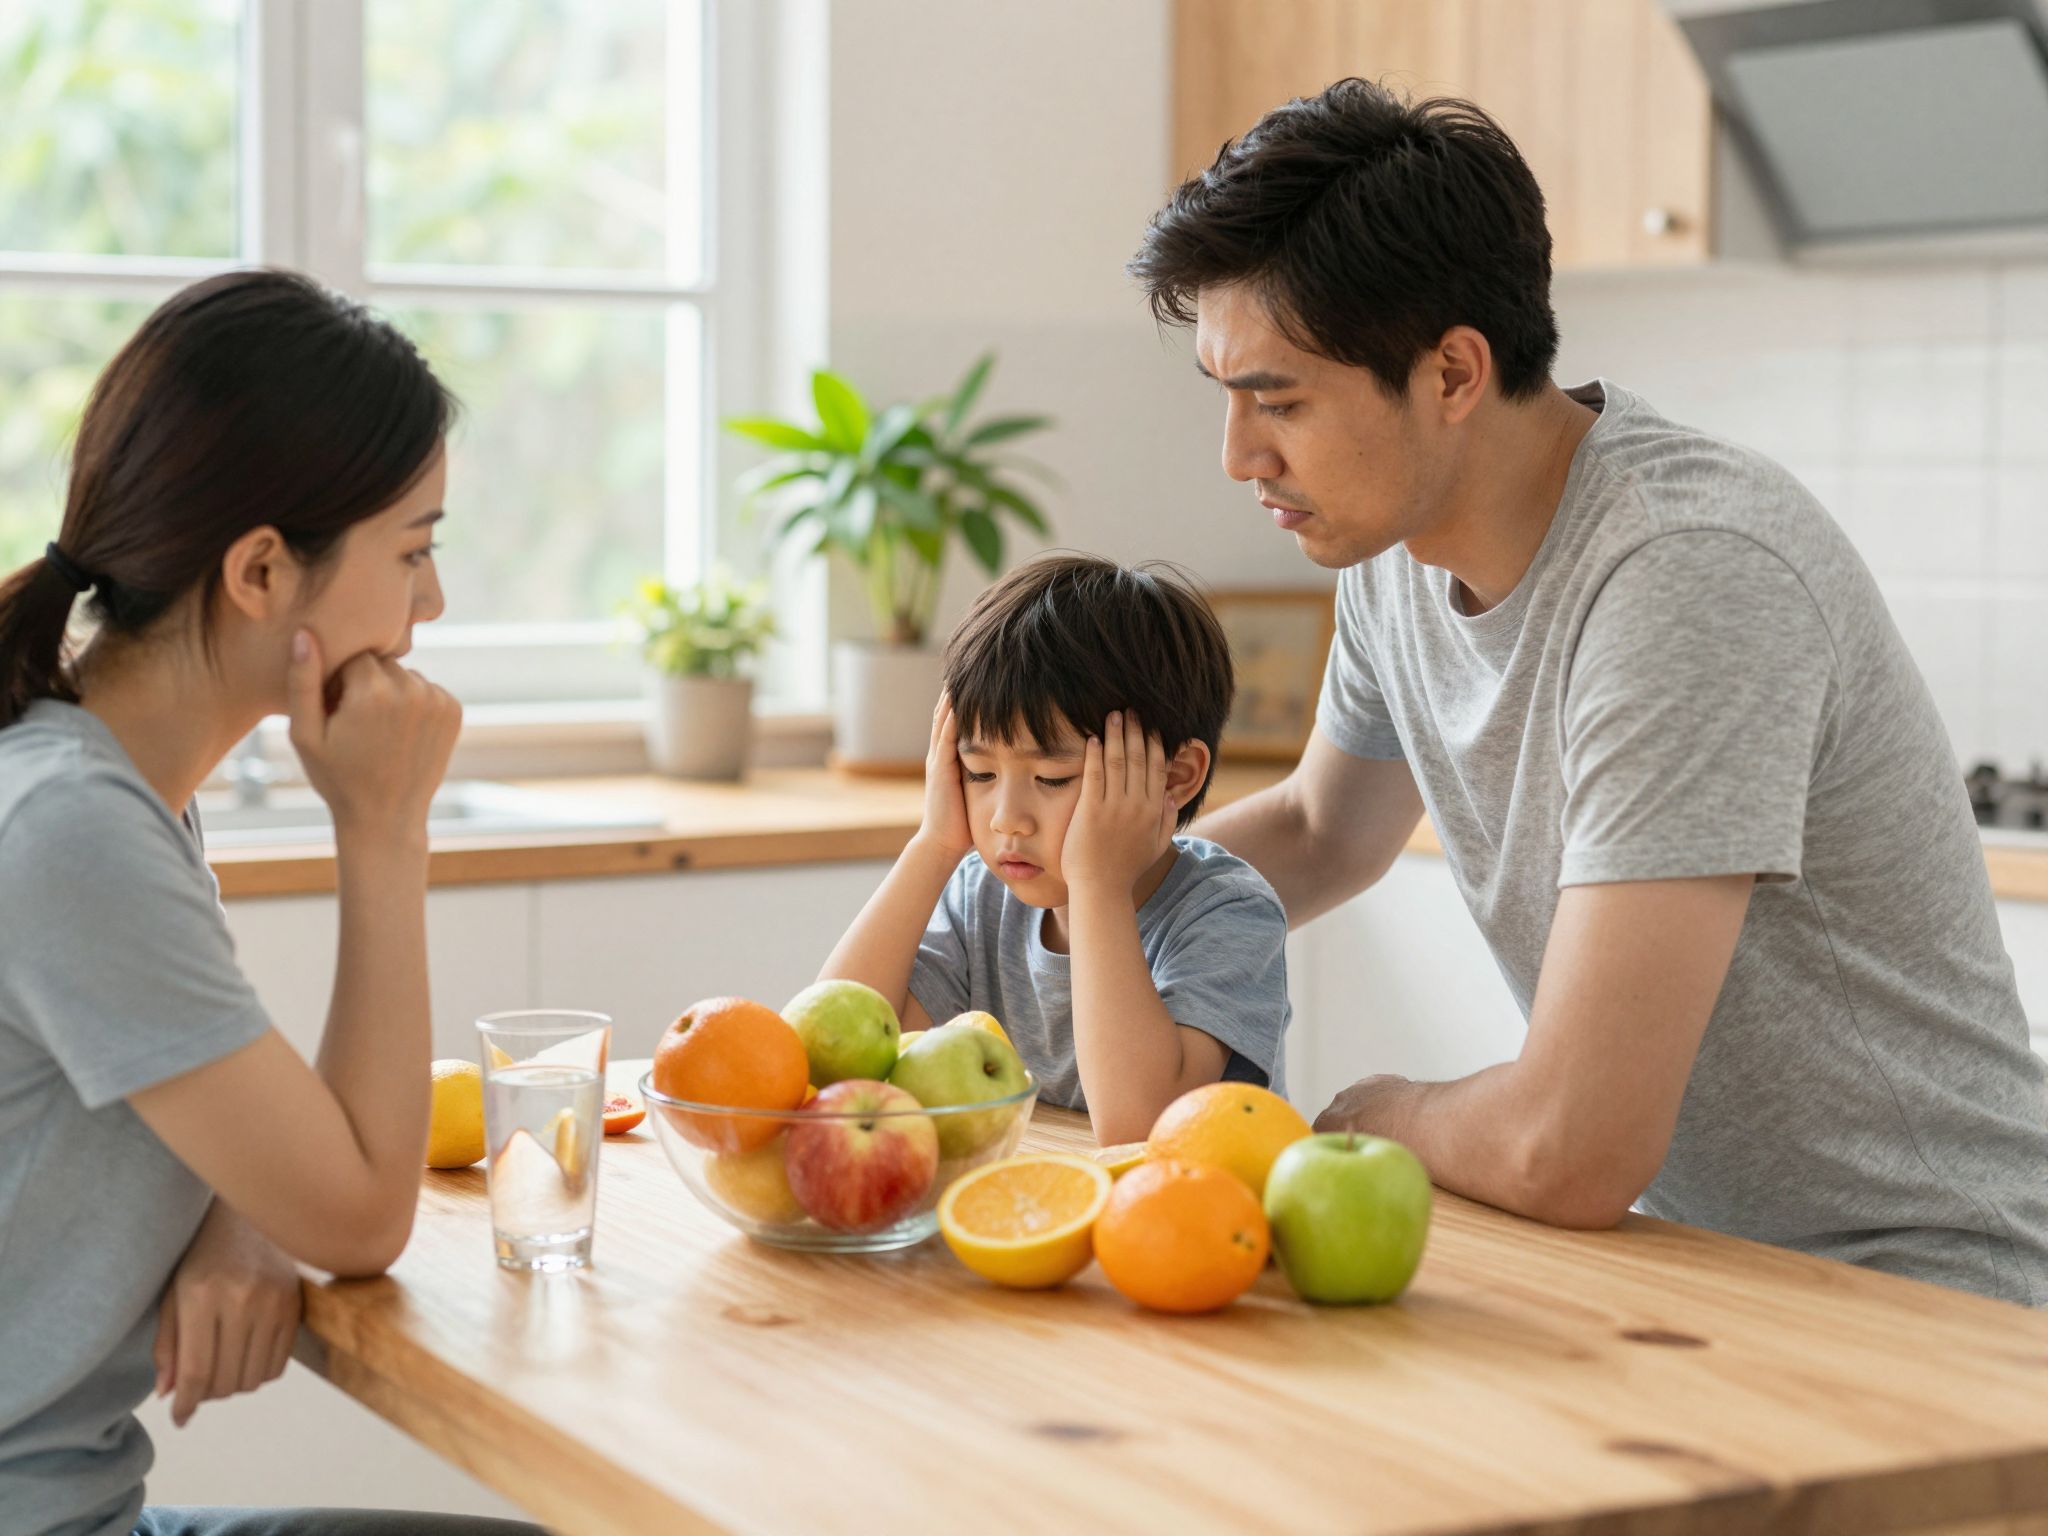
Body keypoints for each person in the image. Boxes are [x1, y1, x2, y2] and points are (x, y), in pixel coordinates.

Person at [1129, 78, 2048, 1304]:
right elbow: (1316, 832)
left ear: (1451, 373)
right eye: (1227, 397)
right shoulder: (1396, 549)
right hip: (1708, 1270)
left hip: (1936, 1296)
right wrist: (1032, 912)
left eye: (1276, 401)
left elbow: (1568, 1147)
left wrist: (1375, 1114)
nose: (1239, 457)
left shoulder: (1685, 573)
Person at [0, 269, 540, 1534]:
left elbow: (283, 1151)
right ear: (259, 572)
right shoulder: (74, 831)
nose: (432, 603)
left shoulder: (111, 783)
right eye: (413, 550)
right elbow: (359, 1214)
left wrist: (244, 1211)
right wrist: (382, 829)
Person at [817, 554, 1289, 1146]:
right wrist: (932, 845)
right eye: (979, 773)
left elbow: (1139, 1131)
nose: (1007, 819)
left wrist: (1098, 884)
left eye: (1053, 779)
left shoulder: (1229, 915)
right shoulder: (978, 896)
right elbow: (836, 1059)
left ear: (1175, 776)